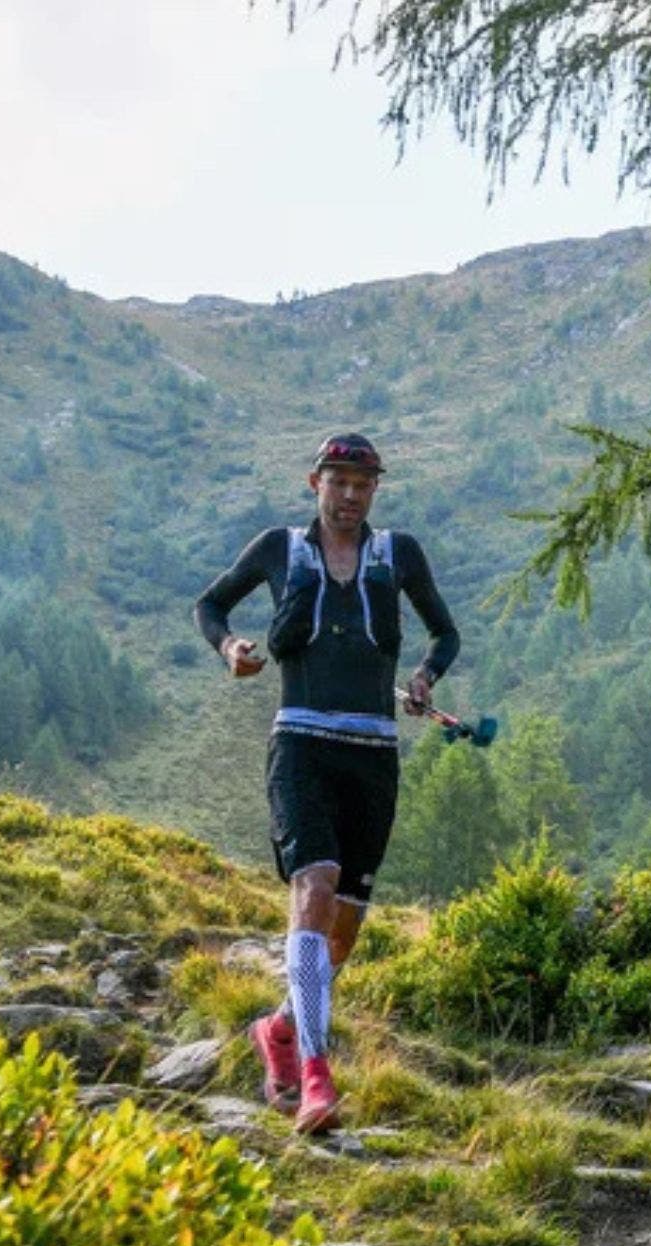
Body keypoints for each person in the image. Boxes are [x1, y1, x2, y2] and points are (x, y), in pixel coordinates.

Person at [193, 432, 459, 1133]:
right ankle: (316, 1076)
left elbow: (445, 633)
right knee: (312, 889)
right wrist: (231, 650)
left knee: (342, 934)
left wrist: (427, 679)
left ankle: (278, 1029)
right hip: (301, 742)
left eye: (361, 484)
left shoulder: (397, 554)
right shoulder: (280, 548)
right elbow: (211, 605)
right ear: (314, 482)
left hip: (372, 754)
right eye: (337, 481)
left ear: (375, 490)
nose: (348, 495)